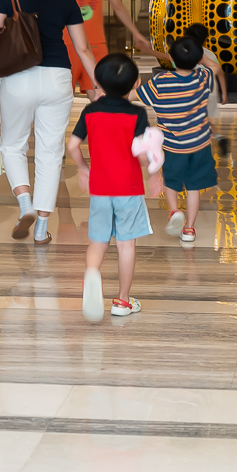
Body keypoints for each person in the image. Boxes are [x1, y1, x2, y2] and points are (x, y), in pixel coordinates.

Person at [0, 0, 102, 245]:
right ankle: (42, 227)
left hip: (18, 78)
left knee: (13, 146)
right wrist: (98, 84)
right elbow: (83, 49)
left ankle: (25, 203)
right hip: (57, 78)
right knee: (50, 152)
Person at [66, 54, 157, 321]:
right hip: (128, 189)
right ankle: (122, 301)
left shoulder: (90, 111)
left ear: (97, 82)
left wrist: (83, 169)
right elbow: (142, 155)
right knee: (126, 245)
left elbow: (72, 145)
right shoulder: (137, 114)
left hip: (100, 189)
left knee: (98, 241)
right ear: (136, 83)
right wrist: (154, 171)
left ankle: (92, 273)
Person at [135, 36, 216, 243]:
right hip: (199, 145)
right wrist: (202, 60)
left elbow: (134, 96)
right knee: (193, 187)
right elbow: (214, 67)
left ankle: (175, 211)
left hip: (171, 146)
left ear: (170, 58)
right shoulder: (203, 77)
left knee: (171, 181)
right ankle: (189, 229)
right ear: (198, 59)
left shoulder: (160, 82)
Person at [172, 22, 230, 155]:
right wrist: (224, 93)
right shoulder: (210, 54)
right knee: (204, 120)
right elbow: (219, 72)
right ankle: (219, 138)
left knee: (195, 122)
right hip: (211, 92)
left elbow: (175, 66)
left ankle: (198, 147)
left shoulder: (184, 54)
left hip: (194, 93)